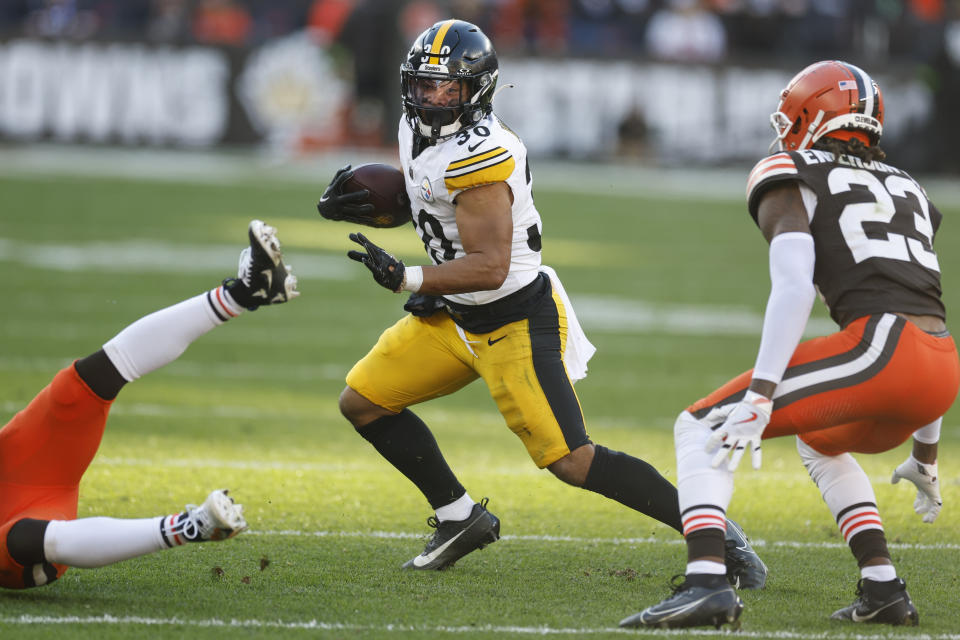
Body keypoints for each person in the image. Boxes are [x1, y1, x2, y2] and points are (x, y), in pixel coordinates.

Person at [316, 18, 766, 587]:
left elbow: (490, 264)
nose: (431, 97)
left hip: (511, 319)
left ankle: (720, 539)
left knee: (572, 460)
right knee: (364, 401)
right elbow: (428, 199)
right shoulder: (415, 128)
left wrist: (409, 277)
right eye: (423, 85)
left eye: (446, 87)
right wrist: (370, 200)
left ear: (476, 88)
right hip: (454, 314)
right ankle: (459, 518)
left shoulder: (481, 155)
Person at [622, 60, 958, 629]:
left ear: (812, 116)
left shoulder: (789, 167)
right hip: (942, 366)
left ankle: (707, 583)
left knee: (700, 426)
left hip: (883, 350)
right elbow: (926, 307)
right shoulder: (911, 188)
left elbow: (795, 283)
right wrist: (926, 453)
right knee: (818, 441)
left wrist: (761, 392)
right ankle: (883, 586)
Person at [0, 220, 299, 589]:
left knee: (73, 391)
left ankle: (245, 293)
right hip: (19, 526)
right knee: (23, 539)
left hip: (14, 472)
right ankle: (190, 526)